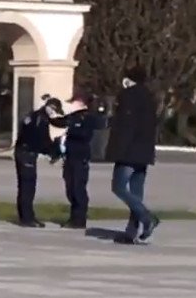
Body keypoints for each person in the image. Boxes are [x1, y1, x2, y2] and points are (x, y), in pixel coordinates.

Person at [105, 65, 160, 244]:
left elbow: (126, 126)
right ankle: (132, 232)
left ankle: (147, 218)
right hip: (144, 151)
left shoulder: (128, 96)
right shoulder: (150, 97)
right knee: (136, 193)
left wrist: (117, 150)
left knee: (119, 187)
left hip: (129, 151)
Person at [50, 87, 98, 229]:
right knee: (70, 187)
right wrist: (50, 115)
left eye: (74, 102)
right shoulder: (74, 117)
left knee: (78, 188)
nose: (71, 105)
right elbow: (60, 122)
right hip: (70, 156)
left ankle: (79, 219)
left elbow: (84, 134)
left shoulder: (88, 118)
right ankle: (74, 216)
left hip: (80, 156)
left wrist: (70, 131)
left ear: (81, 103)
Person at [14, 95, 63, 228]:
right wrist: (54, 150)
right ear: (50, 107)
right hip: (26, 153)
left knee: (25, 186)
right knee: (28, 186)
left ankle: (26, 216)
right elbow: (40, 140)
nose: (54, 114)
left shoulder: (36, 116)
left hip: (25, 152)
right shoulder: (40, 119)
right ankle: (27, 218)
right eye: (54, 110)